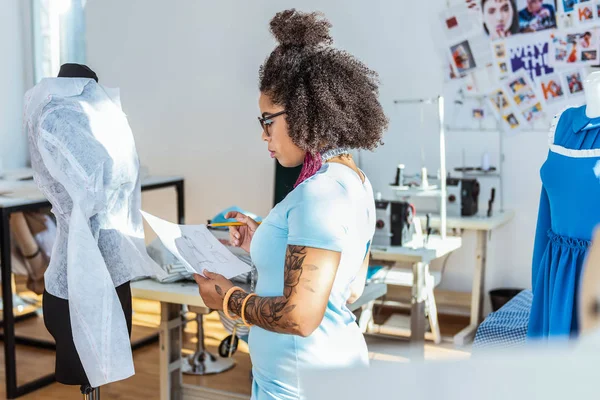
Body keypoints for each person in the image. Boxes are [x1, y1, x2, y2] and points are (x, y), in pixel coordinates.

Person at [194, 9, 387, 400]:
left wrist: (227, 298)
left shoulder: (320, 194)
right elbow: (346, 290)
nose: (263, 135)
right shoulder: (353, 180)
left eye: (268, 120)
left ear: (302, 113)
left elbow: (300, 316)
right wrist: (266, 240)